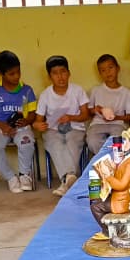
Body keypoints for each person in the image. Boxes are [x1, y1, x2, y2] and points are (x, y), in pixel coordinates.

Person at [35, 55, 90, 196]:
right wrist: (38, 125)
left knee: (72, 141)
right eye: (55, 73)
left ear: (69, 73)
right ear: (49, 77)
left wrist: (70, 117)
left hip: (75, 127)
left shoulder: (77, 90)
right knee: (55, 142)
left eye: (63, 71)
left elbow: (86, 115)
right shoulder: (45, 95)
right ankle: (69, 178)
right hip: (53, 130)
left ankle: (65, 181)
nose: (60, 76)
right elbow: (38, 120)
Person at [0, 50, 37, 194]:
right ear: (1, 73)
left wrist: (26, 121)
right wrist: (3, 126)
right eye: (11, 74)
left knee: (27, 142)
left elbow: (33, 114)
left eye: (18, 72)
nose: (16, 76)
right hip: (0, 127)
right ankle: (11, 178)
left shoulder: (27, 90)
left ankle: (24, 175)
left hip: (22, 127)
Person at [86, 54, 130, 157]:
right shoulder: (96, 90)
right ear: (100, 73)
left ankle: (113, 161)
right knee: (92, 141)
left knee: (117, 141)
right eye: (103, 70)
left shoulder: (126, 92)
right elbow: (89, 111)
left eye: (110, 67)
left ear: (118, 68)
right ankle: (106, 161)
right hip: (97, 124)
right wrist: (96, 110)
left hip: (118, 124)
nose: (108, 72)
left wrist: (115, 117)